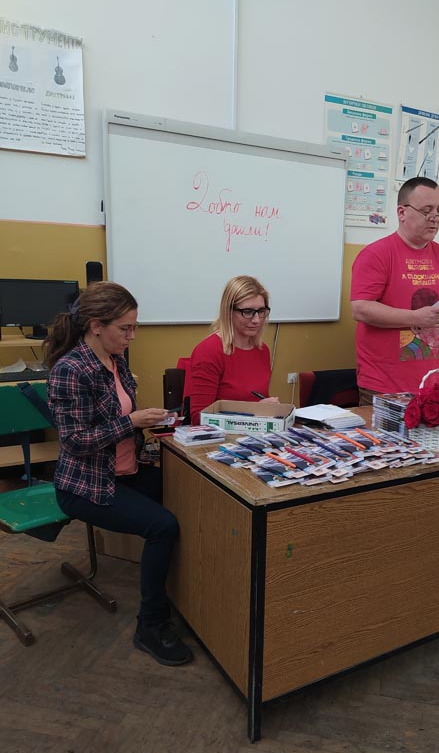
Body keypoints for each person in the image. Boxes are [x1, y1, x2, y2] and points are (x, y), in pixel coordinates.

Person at [45, 281, 193, 667]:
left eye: (134, 327)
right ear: (96, 326)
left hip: (124, 471)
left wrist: (153, 424)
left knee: (193, 490)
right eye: (125, 328)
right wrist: (132, 422)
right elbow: (76, 441)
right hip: (86, 485)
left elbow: (120, 420)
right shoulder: (70, 370)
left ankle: (191, 600)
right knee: (162, 526)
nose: (132, 336)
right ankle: (150, 625)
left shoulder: (116, 360)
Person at [350, 177, 439, 404]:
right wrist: (415, 318)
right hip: (384, 386)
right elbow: (361, 309)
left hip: (431, 383)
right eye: (426, 210)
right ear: (402, 212)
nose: (435, 217)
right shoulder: (376, 254)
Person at [189, 275, 278, 424]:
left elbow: (256, 400)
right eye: (247, 312)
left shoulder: (263, 350)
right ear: (228, 311)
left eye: (261, 311)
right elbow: (199, 418)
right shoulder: (209, 351)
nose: (256, 320)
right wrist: (253, 411)